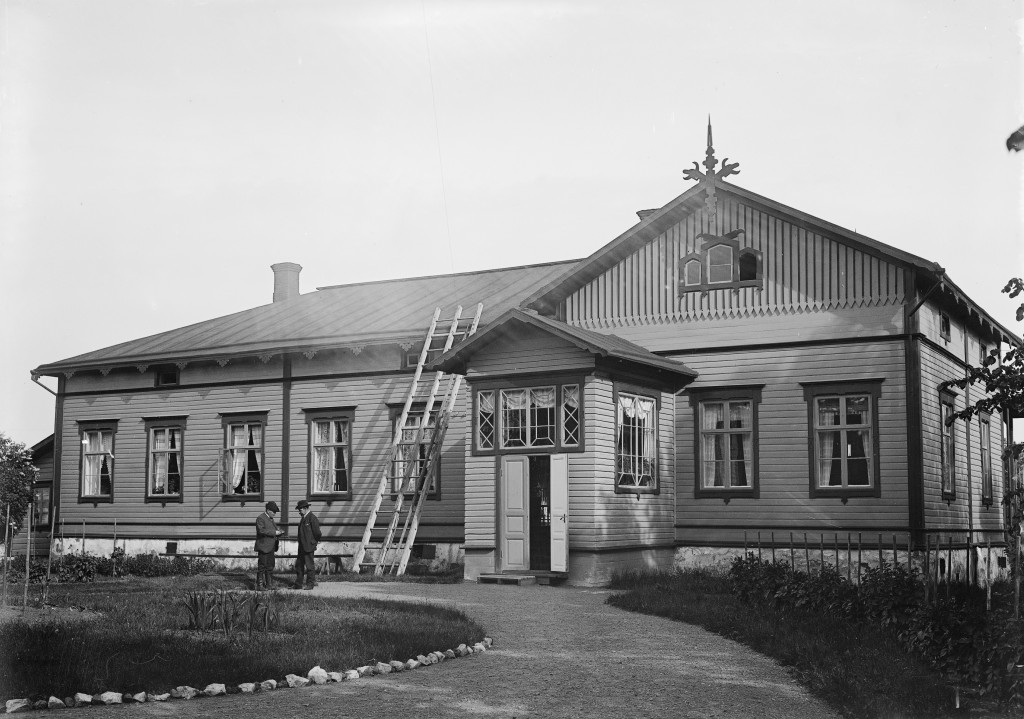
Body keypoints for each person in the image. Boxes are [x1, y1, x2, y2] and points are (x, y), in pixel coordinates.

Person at [254, 501, 284, 590]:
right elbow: (261, 531)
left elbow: (272, 529)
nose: (275, 514)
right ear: (268, 510)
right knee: (262, 566)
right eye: (273, 512)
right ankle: (259, 585)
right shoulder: (260, 518)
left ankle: (269, 585)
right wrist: (275, 532)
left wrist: (279, 532)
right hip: (263, 547)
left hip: (271, 546)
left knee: (270, 566)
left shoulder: (270, 519)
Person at [293, 499, 322, 590]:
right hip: (301, 546)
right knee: (299, 565)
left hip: (309, 546)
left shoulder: (312, 518)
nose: (299, 511)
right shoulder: (304, 518)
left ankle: (310, 584)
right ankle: (298, 584)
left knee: (309, 566)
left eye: (300, 510)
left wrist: (313, 542)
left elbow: (317, 533)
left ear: (305, 508)